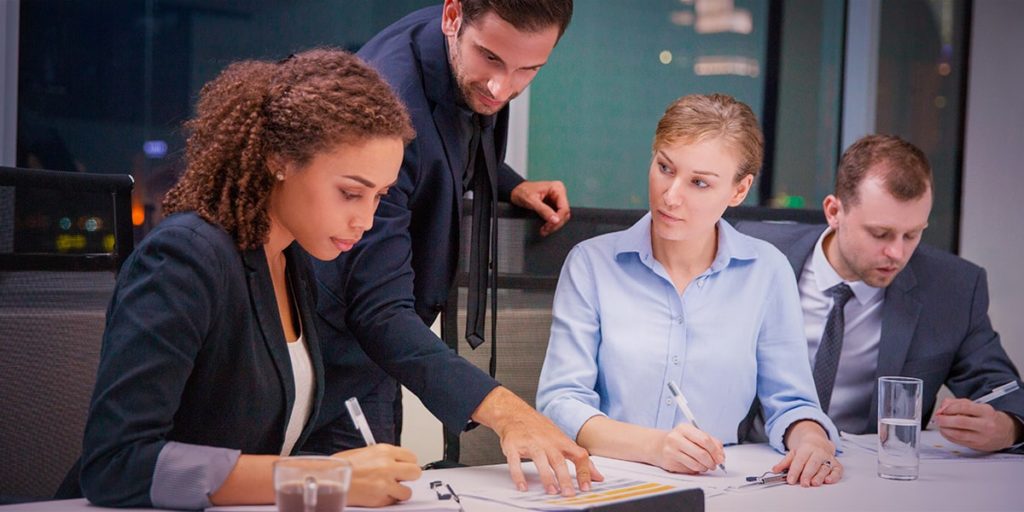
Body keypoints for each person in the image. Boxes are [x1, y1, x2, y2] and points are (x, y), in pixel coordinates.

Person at [79, 49, 423, 509]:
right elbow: (117, 463)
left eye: (379, 197)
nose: (365, 219)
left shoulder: (290, 260)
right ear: (279, 159)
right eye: (350, 193)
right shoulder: (184, 257)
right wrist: (326, 476)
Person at [306, 0, 599, 495]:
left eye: (529, 69)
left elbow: (450, 142)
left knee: (390, 493)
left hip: (381, 346)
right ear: (452, 16)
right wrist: (508, 413)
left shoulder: (467, 52)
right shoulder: (388, 105)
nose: (503, 88)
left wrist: (504, 183)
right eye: (490, 59)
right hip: (331, 349)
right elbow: (377, 310)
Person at [536, 94, 843, 487]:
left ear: (738, 191)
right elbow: (561, 402)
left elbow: (792, 402)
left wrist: (812, 441)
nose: (671, 195)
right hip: (608, 484)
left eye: (699, 182)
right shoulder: (592, 264)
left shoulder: (767, 271)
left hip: (719, 487)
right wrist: (657, 447)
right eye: (665, 167)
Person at [736, 134, 1024, 452]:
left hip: (866, 475)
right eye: (880, 234)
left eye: (912, 234)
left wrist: (1008, 427)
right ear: (834, 212)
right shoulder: (752, 251)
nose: (897, 253)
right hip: (754, 460)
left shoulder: (952, 288)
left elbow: (1005, 393)